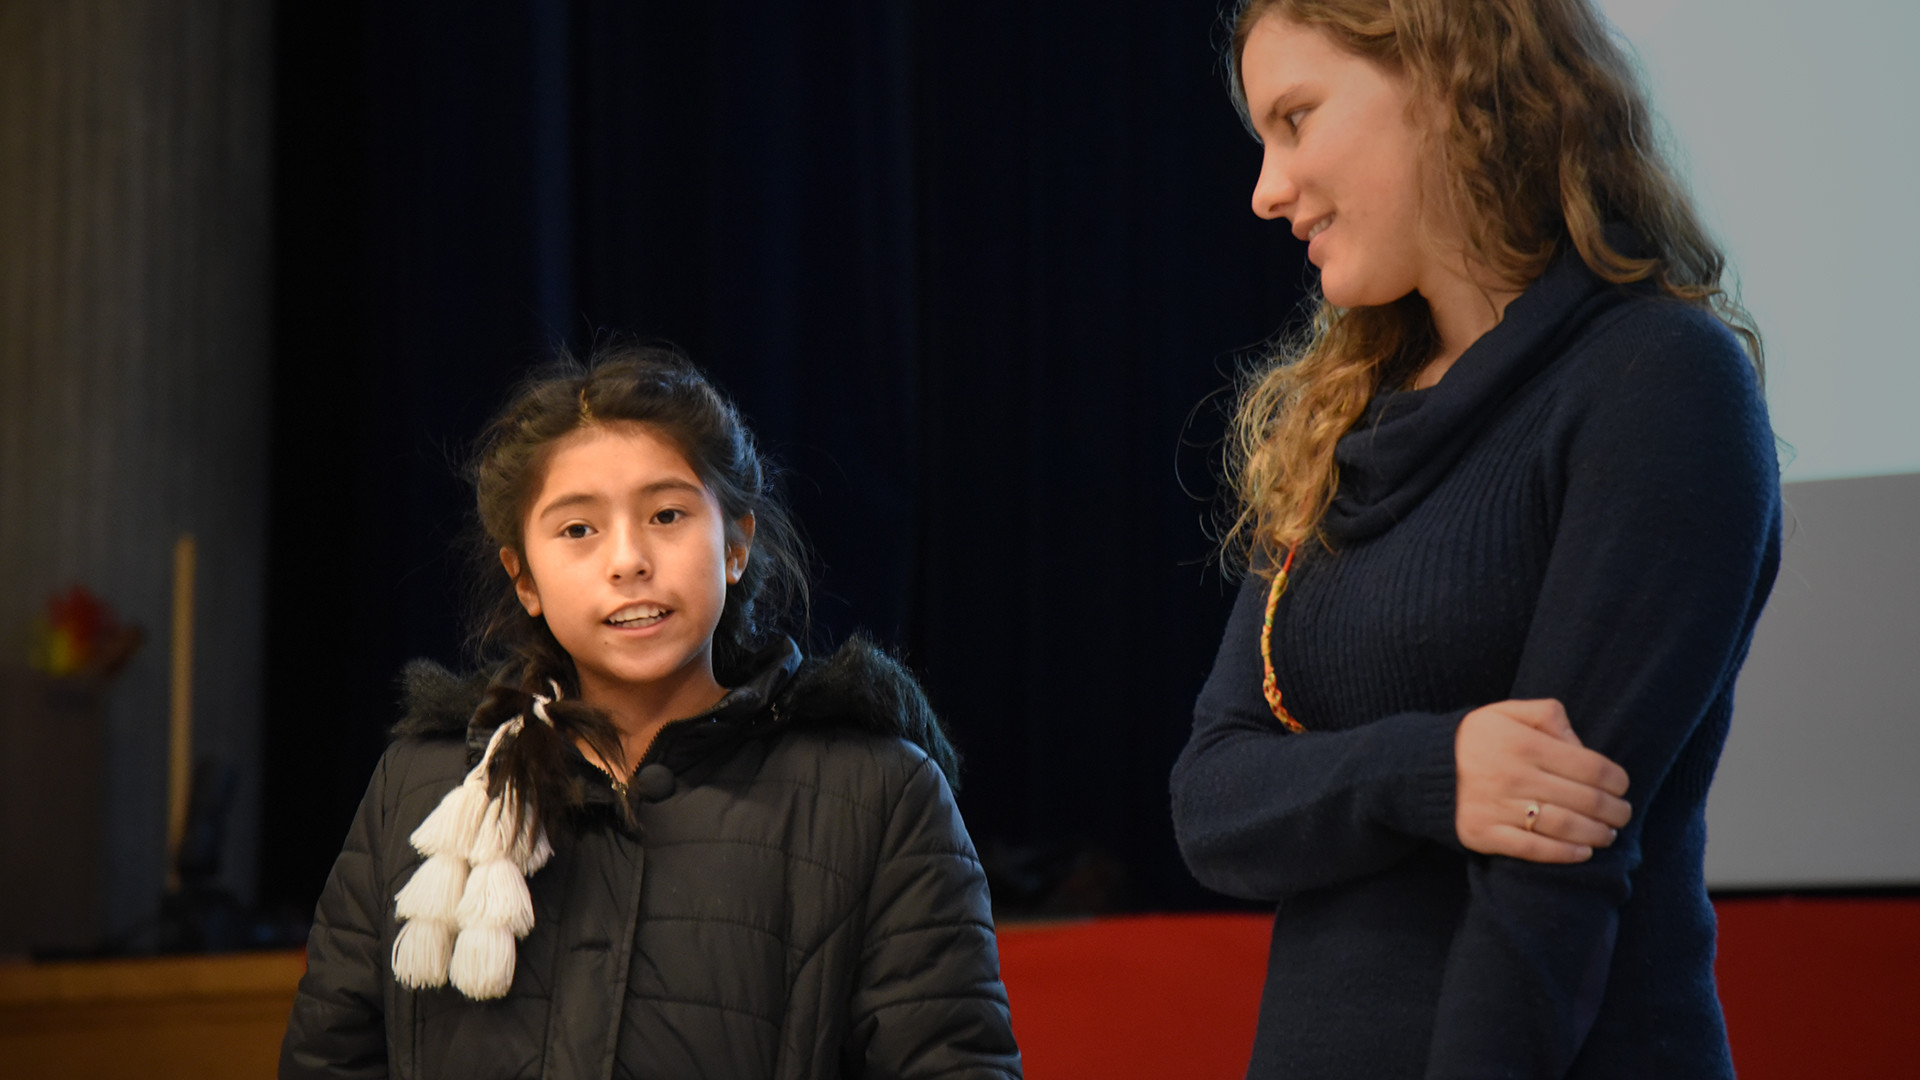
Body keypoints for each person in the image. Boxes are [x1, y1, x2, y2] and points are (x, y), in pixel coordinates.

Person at [1169, 1, 1780, 1077]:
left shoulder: (1660, 382)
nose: (1266, 190)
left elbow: (1553, 885)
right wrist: (1434, 769)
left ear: (1445, 79)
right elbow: (1213, 800)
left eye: (1297, 119)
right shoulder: (1345, 421)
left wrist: (1376, 782)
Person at [280, 347, 1021, 1079]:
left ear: (735, 544)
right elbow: (330, 1059)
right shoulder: (422, 787)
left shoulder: (878, 794)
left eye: (666, 515)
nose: (628, 560)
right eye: (578, 530)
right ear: (524, 577)